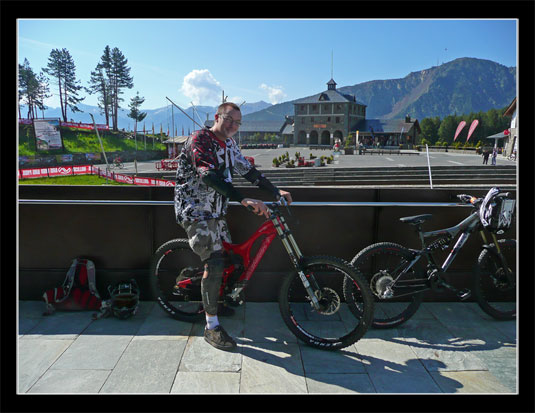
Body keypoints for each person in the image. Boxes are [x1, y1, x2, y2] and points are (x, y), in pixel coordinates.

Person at [174, 102, 292, 351]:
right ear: (217, 116)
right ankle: (211, 326)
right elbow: (207, 175)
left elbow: (248, 171)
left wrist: (275, 190)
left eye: (237, 123)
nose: (233, 126)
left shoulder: (229, 144)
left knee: (230, 260)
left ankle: (215, 299)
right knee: (215, 262)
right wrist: (242, 198)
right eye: (229, 119)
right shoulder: (200, 139)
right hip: (196, 211)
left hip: (217, 211)